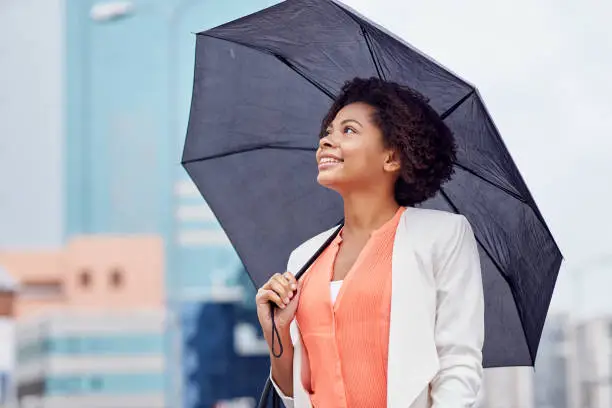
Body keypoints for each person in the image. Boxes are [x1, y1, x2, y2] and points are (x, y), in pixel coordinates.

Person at [256, 77, 484, 408]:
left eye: (348, 130)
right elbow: (294, 395)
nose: (326, 141)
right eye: (329, 131)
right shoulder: (303, 258)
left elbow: (458, 366)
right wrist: (276, 331)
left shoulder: (442, 236)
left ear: (392, 157)